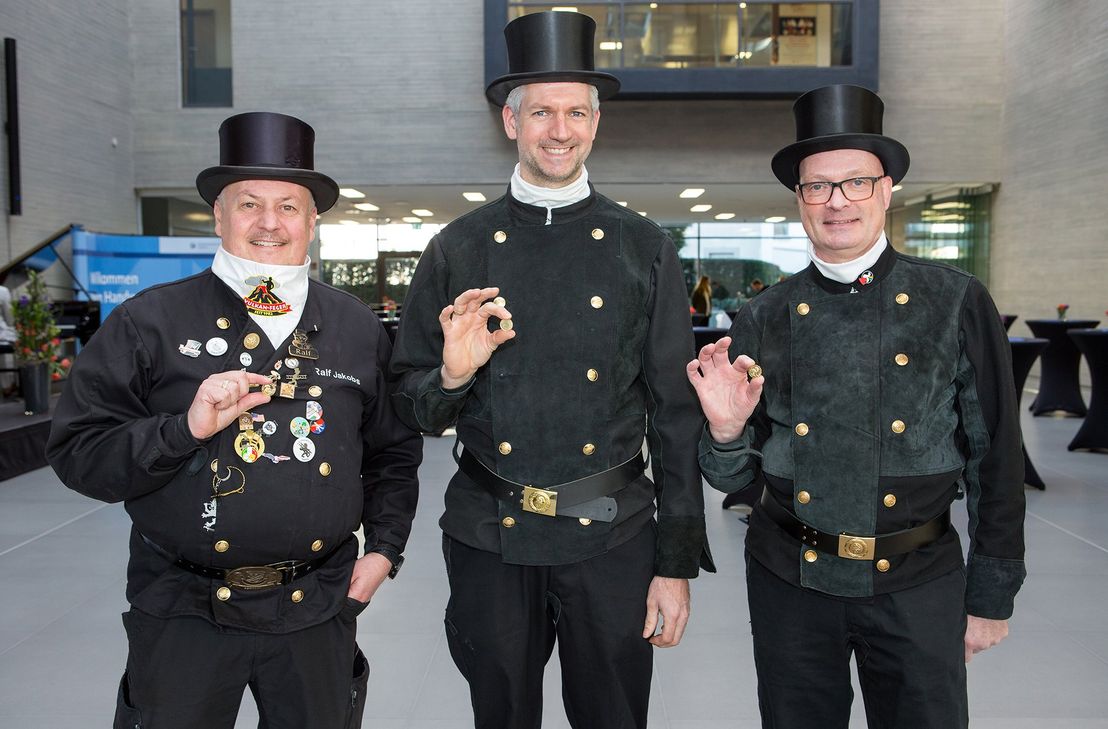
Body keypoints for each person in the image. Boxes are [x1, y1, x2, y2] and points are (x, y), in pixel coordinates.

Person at [46, 111, 423, 729]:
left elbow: (393, 453)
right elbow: (79, 454)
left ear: (313, 220)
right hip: (182, 608)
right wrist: (184, 430)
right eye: (249, 204)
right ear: (218, 215)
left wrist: (384, 549)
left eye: (288, 206)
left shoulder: (357, 327)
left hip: (317, 606)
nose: (269, 223)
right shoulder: (148, 322)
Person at [390, 11, 713, 728]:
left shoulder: (643, 246)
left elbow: (674, 414)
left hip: (615, 534)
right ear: (512, 121)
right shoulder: (458, 247)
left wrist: (676, 562)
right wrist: (451, 378)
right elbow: (408, 405)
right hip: (489, 532)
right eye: (541, 112)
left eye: (575, 112)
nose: (558, 130)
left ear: (596, 123)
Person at [686, 85, 1025, 728]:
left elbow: (997, 455)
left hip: (919, 578)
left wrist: (991, 593)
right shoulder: (764, 314)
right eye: (818, 186)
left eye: (856, 183)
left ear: (887, 190)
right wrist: (726, 434)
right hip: (790, 578)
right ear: (800, 199)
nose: (837, 201)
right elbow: (732, 478)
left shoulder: (953, 300)